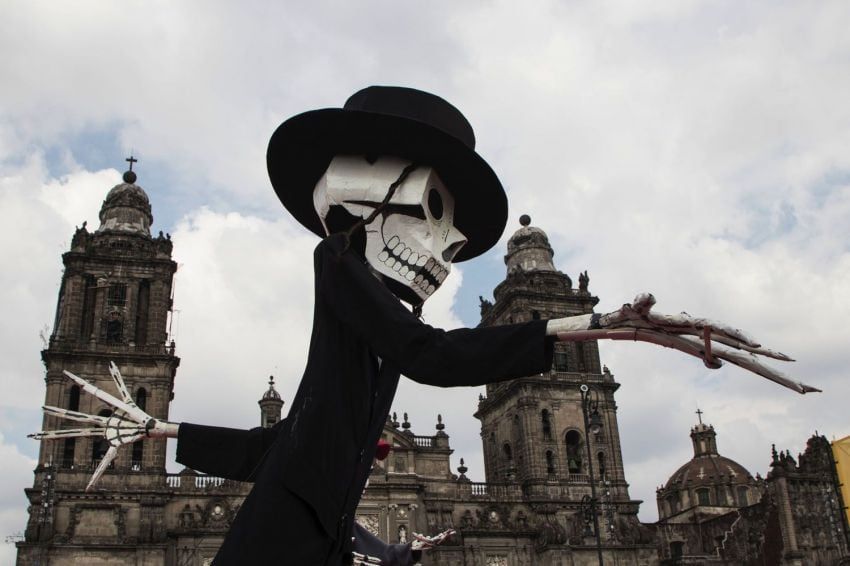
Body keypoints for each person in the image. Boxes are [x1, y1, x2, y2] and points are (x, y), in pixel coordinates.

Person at [34, 86, 809, 565]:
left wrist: (162, 433)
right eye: (433, 214)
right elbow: (428, 353)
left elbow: (278, 448)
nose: (440, 252)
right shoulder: (339, 265)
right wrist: (579, 328)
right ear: (366, 191)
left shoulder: (367, 360)